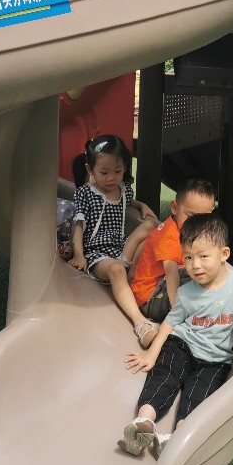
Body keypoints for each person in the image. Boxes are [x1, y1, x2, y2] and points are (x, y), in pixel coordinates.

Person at [119, 213, 233, 458]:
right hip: (182, 344)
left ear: (224, 254)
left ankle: (178, 438)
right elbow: (170, 323)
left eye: (203, 256)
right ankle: (143, 423)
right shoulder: (187, 292)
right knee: (165, 374)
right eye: (189, 257)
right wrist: (151, 354)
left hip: (215, 360)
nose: (195, 265)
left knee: (200, 395)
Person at [69, 135, 158, 326]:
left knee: (152, 226)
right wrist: (79, 255)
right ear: (90, 169)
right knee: (116, 269)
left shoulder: (123, 189)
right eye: (104, 172)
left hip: (121, 248)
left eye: (117, 171)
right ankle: (140, 322)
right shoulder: (86, 193)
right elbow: (79, 225)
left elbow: (130, 202)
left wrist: (142, 205)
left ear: (125, 167)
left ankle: (131, 276)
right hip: (96, 254)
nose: (111, 178)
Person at [125, 177, 217, 348]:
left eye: (203, 218)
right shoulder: (169, 236)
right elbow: (171, 273)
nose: (196, 224)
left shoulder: (190, 231)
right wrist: (176, 312)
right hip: (150, 298)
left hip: (161, 288)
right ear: (174, 207)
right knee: (193, 272)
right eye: (190, 216)